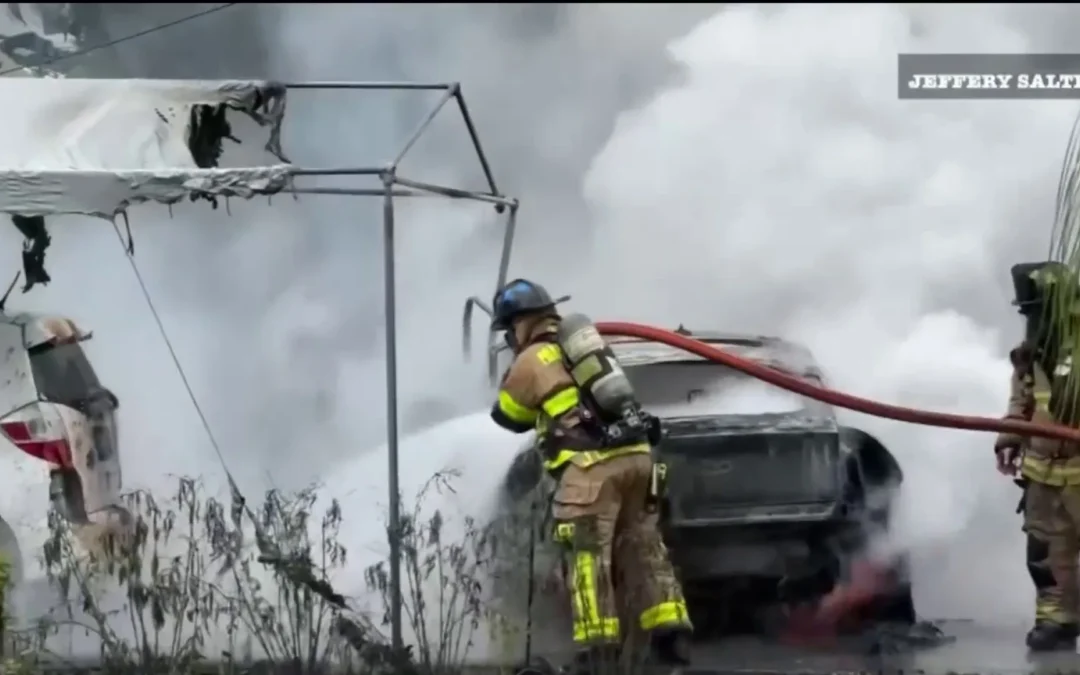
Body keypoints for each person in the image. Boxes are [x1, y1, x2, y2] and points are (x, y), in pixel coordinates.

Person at [487, 278, 693, 672]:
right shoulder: (588, 349)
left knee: (586, 557)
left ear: (521, 323)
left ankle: (596, 651)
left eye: (510, 328)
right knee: (645, 548)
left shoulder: (531, 358)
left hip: (590, 470)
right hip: (639, 459)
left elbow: (509, 417)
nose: (511, 337)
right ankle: (671, 634)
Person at [996, 261, 1080, 652]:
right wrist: (1009, 435)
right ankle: (1057, 621)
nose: (1029, 317)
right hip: (1043, 476)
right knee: (1045, 553)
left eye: (1034, 308)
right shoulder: (1034, 350)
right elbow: (1023, 398)